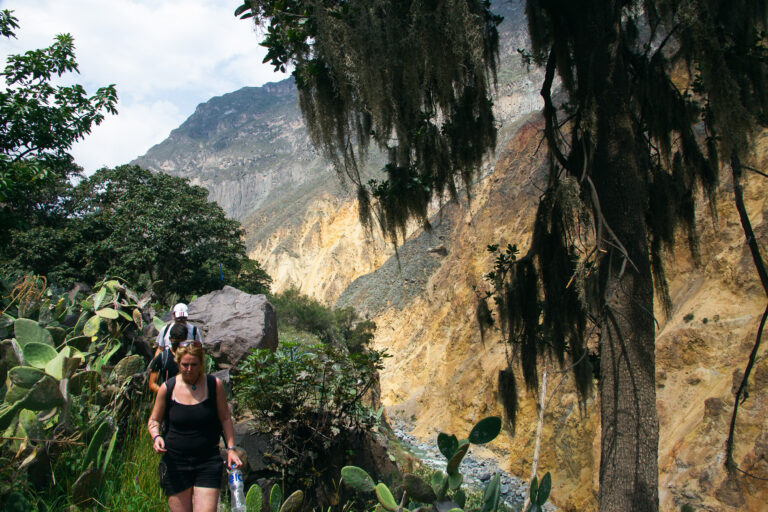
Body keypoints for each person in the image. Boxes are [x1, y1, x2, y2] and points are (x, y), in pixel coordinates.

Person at [147, 340, 242, 512]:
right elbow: (154, 421)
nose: (189, 369)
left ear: (201, 364)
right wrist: (156, 437)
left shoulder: (214, 385)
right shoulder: (167, 388)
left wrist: (231, 448)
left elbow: (225, 419)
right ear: (177, 363)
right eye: (185, 365)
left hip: (207, 460)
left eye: (194, 365)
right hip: (176, 462)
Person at [148, 322, 186, 394]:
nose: (177, 345)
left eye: (180, 342)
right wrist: (166, 393)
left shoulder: (191, 357)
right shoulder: (162, 357)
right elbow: (152, 384)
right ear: (170, 339)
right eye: (175, 342)